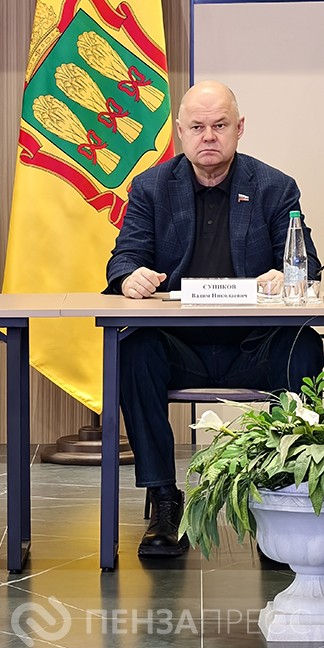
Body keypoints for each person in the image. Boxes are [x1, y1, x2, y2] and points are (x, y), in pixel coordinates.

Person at [105, 80, 324, 558]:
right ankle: (164, 498)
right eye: (198, 127)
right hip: (179, 347)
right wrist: (130, 277)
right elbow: (123, 258)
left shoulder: (274, 187)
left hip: (255, 346)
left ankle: (285, 495)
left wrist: (286, 274)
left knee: (306, 348)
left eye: (220, 125)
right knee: (132, 349)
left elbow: (306, 261)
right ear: (181, 131)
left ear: (239, 128)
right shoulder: (151, 188)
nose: (209, 136)